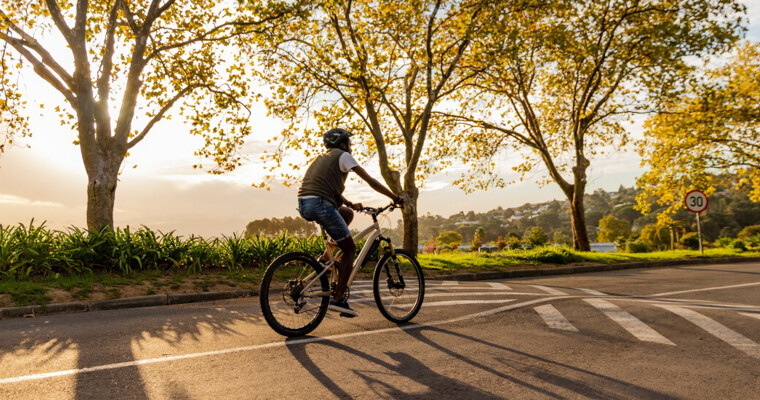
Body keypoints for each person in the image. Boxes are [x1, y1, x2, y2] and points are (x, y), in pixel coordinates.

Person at [297, 128, 402, 317]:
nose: (350, 146)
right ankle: (338, 299)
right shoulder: (344, 156)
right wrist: (394, 197)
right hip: (321, 203)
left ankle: (327, 258)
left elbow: (327, 188)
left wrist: (350, 203)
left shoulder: (322, 158)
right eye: (348, 142)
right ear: (343, 143)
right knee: (350, 249)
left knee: (346, 213)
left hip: (306, 203)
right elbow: (370, 181)